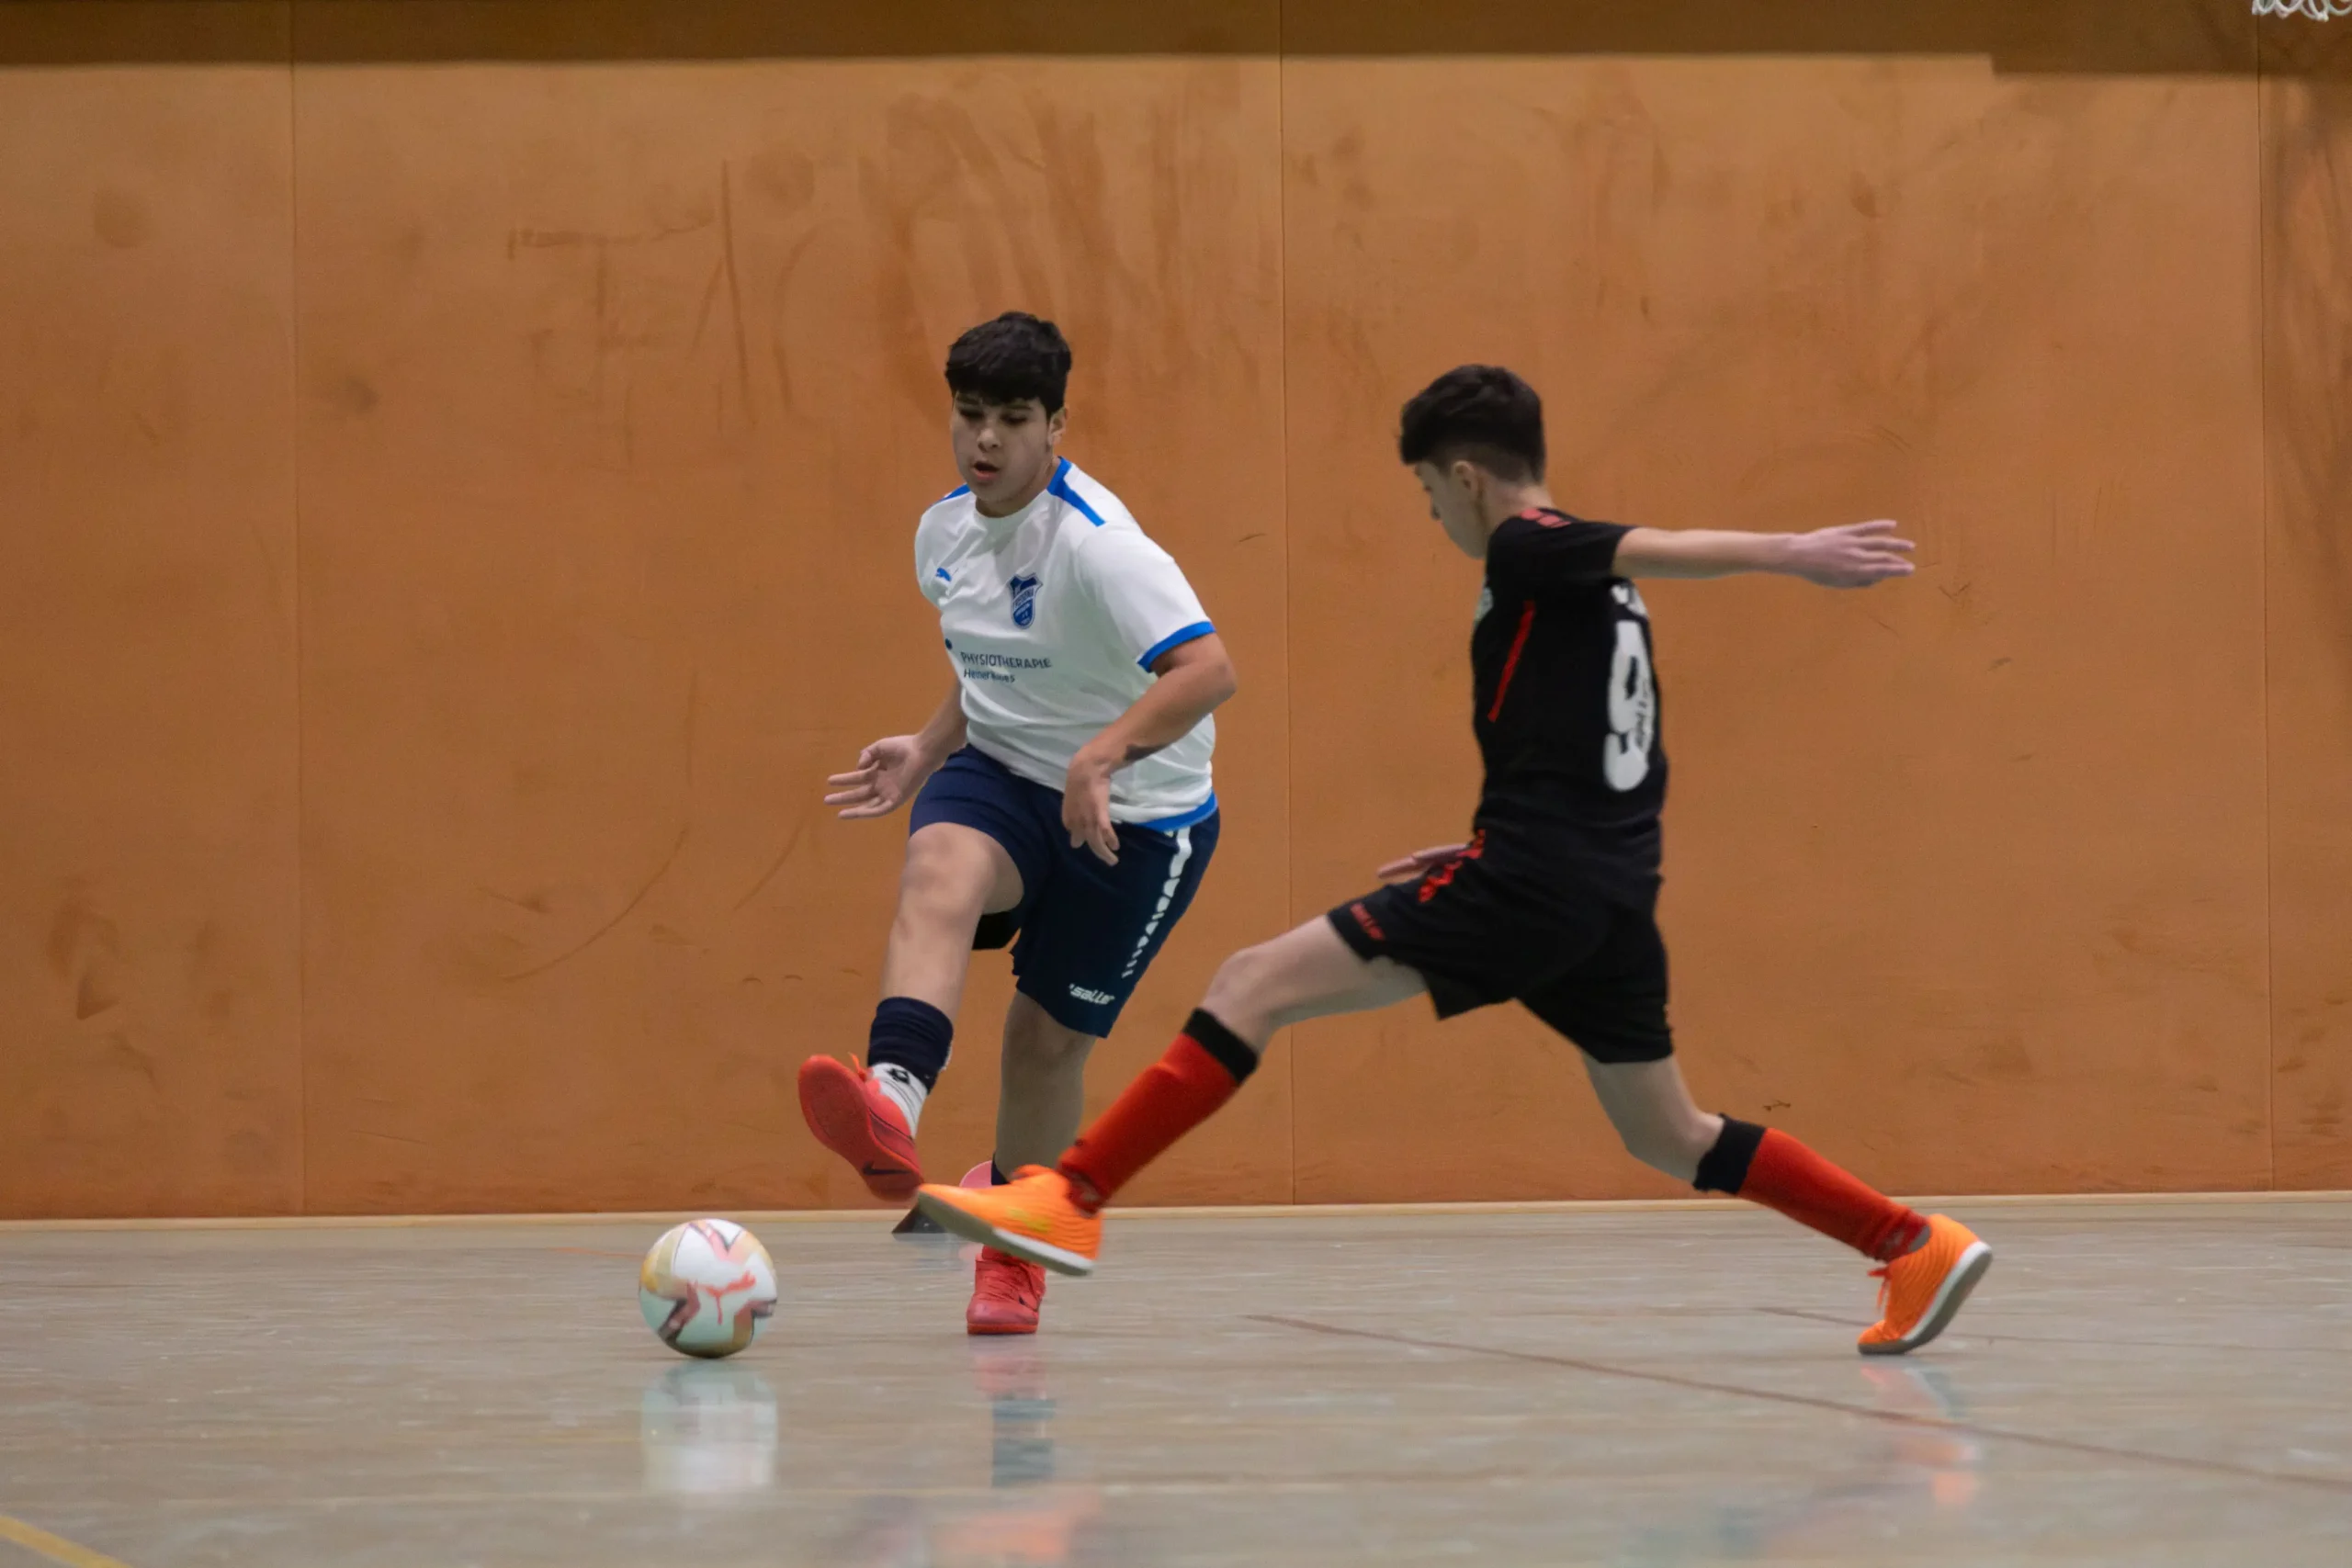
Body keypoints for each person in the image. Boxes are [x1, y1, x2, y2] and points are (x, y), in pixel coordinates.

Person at [914, 364, 1992, 1357]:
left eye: (1430, 493)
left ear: (1465, 478)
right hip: (1607, 895)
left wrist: (1790, 553)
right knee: (1670, 1135)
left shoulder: (1532, 546)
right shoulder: (1600, 600)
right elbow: (1610, 755)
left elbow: (1655, 540)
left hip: (1532, 886)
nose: (1435, 516)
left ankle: (1070, 1198)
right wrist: (1501, 839)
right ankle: (1909, 1244)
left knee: (1250, 986)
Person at [801, 312, 1237, 1337]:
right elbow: (992, 659)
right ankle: (893, 1098)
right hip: (1002, 772)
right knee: (938, 869)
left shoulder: (1099, 547)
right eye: (969, 416)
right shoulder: (942, 534)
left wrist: (1102, 755)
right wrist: (925, 746)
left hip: (1137, 817)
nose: (986, 439)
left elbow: (1209, 671)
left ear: (1055, 426)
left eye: (1012, 418)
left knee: (1042, 1044)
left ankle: (1014, 1250)